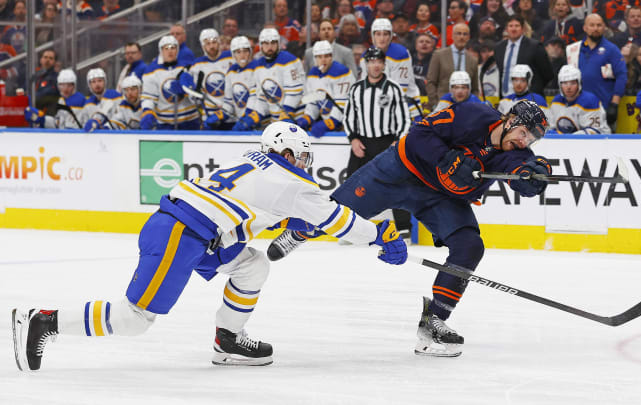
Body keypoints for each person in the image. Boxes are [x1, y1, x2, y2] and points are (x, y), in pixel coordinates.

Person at [11, 121, 408, 372]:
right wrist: (381, 236)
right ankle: (44, 320)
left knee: (252, 266)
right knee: (134, 320)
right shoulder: (291, 180)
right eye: (302, 157)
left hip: (195, 232)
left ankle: (228, 340)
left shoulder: (253, 161)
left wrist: (295, 220)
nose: (304, 165)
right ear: (287, 153)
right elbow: (337, 219)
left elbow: (262, 209)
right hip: (181, 236)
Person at [268, 99, 552, 357]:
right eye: (525, 133)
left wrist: (537, 174)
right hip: (396, 172)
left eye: (532, 140)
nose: (526, 141)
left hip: (439, 197)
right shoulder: (472, 113)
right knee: (334, 215)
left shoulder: (514, 150)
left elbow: (523, 170)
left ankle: (433, 323)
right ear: (511, 121)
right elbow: (420, 133)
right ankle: (300, 231)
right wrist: (445, 158)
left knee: (469, 246)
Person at [344, 47, 413, 238]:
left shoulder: (393, 88)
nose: (375, 65)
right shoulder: (356, 89)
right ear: (366, 64)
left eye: (379, 61)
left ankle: (404, 228)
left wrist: (398, 141)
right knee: (352, 186)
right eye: (371, 61)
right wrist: (353, 139)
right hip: (363, 144)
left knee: (397, 184)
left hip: (387, 143)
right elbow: (349, 117)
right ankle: (350, 230)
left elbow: (404, 118)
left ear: (384, 64)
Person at [233, 28, 305, 130]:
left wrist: (287, 112)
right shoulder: (258, 65)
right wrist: (255, 114)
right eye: (266, 44)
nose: (269, 47)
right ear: (261, 45)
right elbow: (262, 96)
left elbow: (295, 92)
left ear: (278, 44)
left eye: (273, 43)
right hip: (275, 121)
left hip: (295, 118)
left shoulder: (289, 61)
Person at [359, 18, 423, 120]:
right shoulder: (365, 56)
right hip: (379, 106)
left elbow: (400, 90)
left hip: (408, 106)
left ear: (391, 36)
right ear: (372, 36)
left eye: (385, 34)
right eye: (378, 34)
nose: (382, 38)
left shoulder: (401, 54)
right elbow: (366, 87)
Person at [576, 13, 627, 127]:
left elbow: (621, 76)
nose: (595, 28)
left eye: (599, 25)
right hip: (578, 108)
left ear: (604, 27)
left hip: (603, 108)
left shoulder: (612, 50)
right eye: (592, 25)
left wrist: (614, 104)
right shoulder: (575, 49)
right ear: (585, 28)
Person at [140, 35, 201, 130]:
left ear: (177, 50)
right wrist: (147, 110)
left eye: (173, 47)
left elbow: (198, 99)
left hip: (190, 122)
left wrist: (189, 90)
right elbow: (149, 97)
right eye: (166, 48)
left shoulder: (188, 68)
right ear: (161, 51)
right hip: (165, 124)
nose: (170, 51)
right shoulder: (151, 72)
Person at [296, 41, 353, 138]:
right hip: (328, 121)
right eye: (320, 57)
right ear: (315, 59)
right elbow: (313, 101)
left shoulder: (341, 72)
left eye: (327, 56)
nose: (323, 60)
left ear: (331, 57)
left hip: (348, 124)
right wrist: (308, 117)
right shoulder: (313, 74)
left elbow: (343, 102)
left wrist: (331, 121)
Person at [495, 15, 553, 98]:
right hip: (504, 98)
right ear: (506, 29)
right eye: (510, 26)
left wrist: (534, 91)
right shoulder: (499, 48)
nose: (513, 29)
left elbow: (547, 74)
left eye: (517, 26)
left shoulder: (535, 46)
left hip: (529, 98)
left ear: (522, 29)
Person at [188, 28, 233, 130]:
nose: (211, 46)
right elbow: (194, 97)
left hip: (231, 116)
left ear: (219, 42)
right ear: (202, 46)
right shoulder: (197, 65)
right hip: (209, 117)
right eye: (207, 43)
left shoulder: (230, 58)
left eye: (214, 42)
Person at [426, 23, 479, 109]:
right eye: (458, 33)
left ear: (468, 37)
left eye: (465, 34)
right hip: (443, 106)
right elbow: (431, 82)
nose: (461, 37)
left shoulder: (473, 60)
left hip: (466, 108)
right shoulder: (439, 55)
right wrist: (435, 104)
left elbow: (475, 88)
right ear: (452, 36)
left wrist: (474, 106)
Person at [547, 65, 610, 134]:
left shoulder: (590, 101)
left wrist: (568, 138)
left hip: (598, 141)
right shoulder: (556, 102)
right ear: (560, 85)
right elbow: (552, 127)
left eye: (573, 83)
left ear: (579, 84)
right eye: (565, 83)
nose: (568, 87)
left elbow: (594, 131)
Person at [225, 36, 258, 132]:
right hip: (241, 122)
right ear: (233, 54)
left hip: (258, 122)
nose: (242, 55)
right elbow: (229, 100)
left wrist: (247, 115)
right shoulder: (231, 72)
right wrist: (221, 113)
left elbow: (256, 97)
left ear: (250, 53)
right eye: (238, 52)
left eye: (245, 51)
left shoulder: (257, 68)